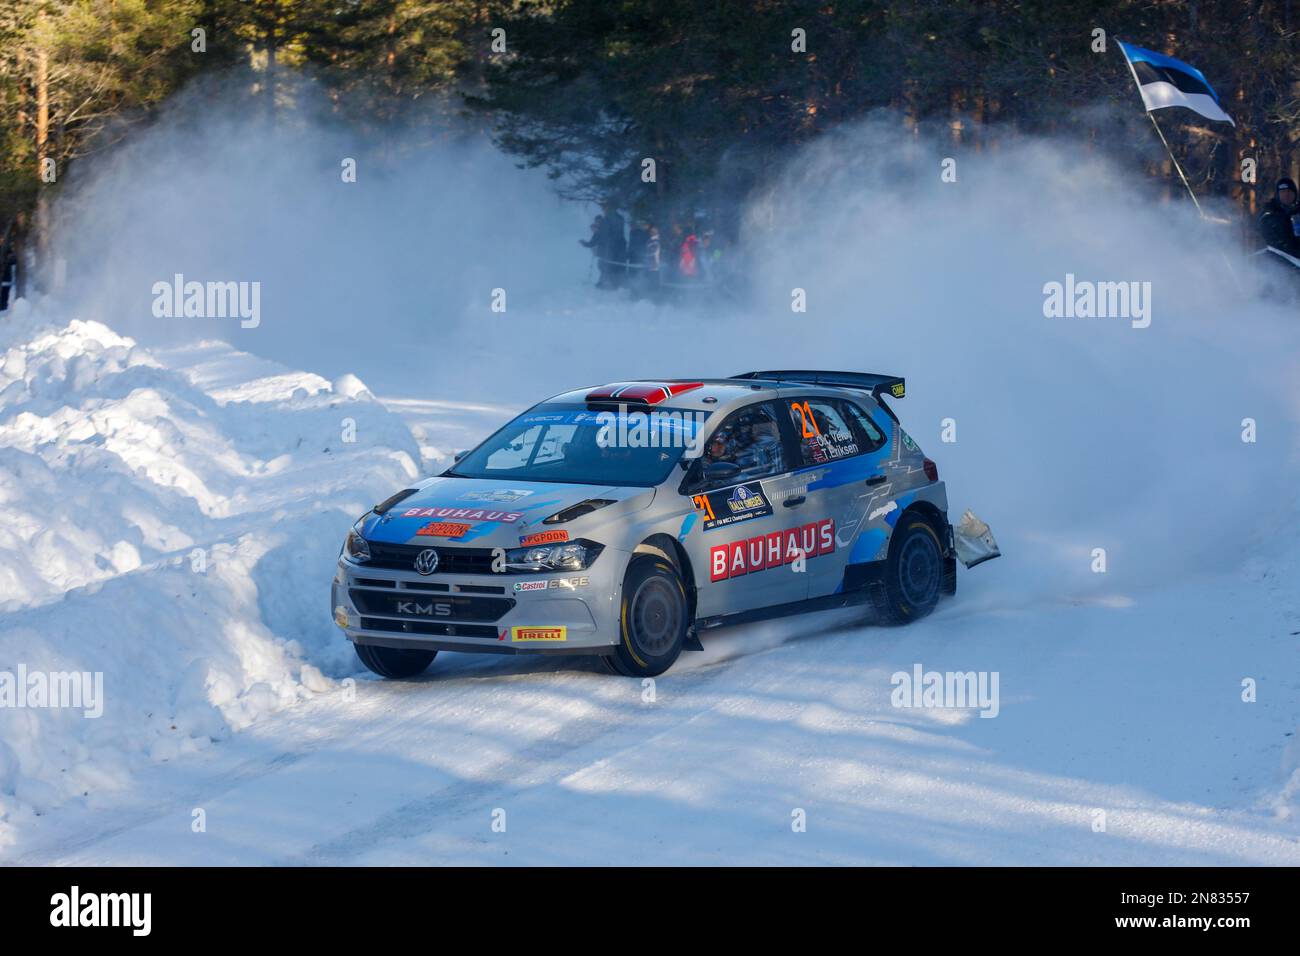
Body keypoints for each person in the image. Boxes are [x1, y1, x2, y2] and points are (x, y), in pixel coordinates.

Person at [1259, 176, 1300, 256]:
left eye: (1289, 191)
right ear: (1277, 195)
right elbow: (1266, 232)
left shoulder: (1297, 211)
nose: (1286, 195)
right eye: (1283, 192)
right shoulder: (1269, 212)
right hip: (1277, 257)